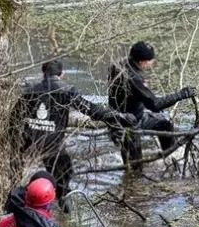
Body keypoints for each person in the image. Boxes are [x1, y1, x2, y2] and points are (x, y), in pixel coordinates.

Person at [8, 58, 136, 205]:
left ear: (43, 73)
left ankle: (13, 197)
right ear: (61, 74)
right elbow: (91, 110)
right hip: (51, 143)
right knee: (63, 177)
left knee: (15, 177)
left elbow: (14, 118)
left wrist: (14, 145)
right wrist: (119, 117)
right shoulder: (67, 91)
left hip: (27, 140)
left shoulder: (29, 91)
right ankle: (62, 208)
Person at [108, 41, 195, 169]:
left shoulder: (120, 65)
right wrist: (181, 95)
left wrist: (141, 86)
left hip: (136, 115)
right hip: (126, 125)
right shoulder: (133, 78)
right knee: (134, 168)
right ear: (142, 62)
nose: (153, 62)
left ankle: (171, 159)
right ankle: (133, 184)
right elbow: (155, 105)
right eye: (150, 60)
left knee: (164, 124)